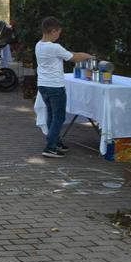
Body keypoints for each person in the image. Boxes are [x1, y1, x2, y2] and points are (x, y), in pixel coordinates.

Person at [36, 16, 93, 158]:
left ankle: (55, 141)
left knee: (51, 115)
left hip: (43, 85)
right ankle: (50, 147)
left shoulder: (39, 45)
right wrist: (88, 56)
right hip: (55, 87)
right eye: (59, 32)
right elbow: (73, 57)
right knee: (59, 117)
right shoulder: (54, 47)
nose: (59, 35)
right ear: (53, 31)